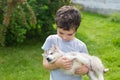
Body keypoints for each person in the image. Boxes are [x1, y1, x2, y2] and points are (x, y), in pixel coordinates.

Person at [41, 5, 89, 80]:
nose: (65, 37)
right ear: (56, 27)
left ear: (76, 30)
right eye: (61, 33)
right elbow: (45, 64)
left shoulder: (81, 46)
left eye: (69, 34)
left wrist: (85, 70)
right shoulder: (51, 40)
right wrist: (57, 64)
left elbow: (87, 65)